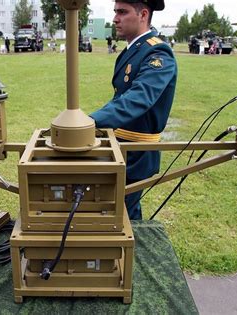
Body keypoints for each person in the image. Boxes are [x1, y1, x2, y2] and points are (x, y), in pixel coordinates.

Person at [90, 0, 177, 220]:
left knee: (121, 214)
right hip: (121, 146)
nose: (115, 18)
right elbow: (120, 97)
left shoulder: (158, 52)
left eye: (122, 12)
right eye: (115, 11)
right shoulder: (134, 50)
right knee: (122, 209)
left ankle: (127, 253)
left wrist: (90, 121)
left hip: (136, 152)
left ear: (143, 14)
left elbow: (138, 98)